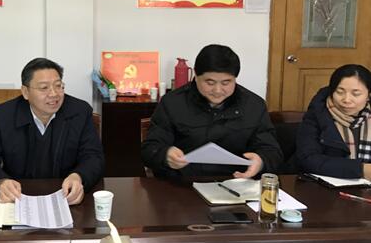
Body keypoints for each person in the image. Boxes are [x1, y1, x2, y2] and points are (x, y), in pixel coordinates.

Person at [0, 58, 104, 205]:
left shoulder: (80, 111)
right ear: (25, 92)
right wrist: (0, 182)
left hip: (65, 197)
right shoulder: (3, 115)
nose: (54, 94)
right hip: (18, 198)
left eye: (58, 86)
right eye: (44, 88)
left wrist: (78, 177)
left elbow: (93, 157)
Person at [141, 44, 282, 179]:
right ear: (196, 75)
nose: (218, 90)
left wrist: (261, 161)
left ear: (235, 79)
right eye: (210, 82)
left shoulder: (254, 105)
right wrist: (165, 155)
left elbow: (272, 151)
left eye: (226, 82)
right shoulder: (172, 103)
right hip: (183, 183)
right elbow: (149, 149)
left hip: (236, 182)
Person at [296, 64, 371, 179]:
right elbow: (308, 159)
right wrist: (361, 169)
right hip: (326, 185)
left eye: (356, 94)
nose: (346, 100)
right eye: (340, 92)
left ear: (368, 95)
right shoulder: (317, 114)